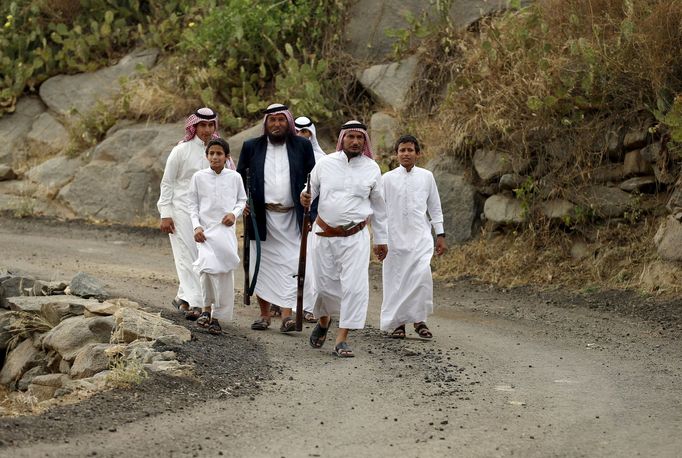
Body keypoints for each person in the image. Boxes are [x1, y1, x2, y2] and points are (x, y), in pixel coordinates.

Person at [300, 120, 388, 358]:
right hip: (323, 234)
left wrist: (381, 240)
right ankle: (324, 320)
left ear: (364, 141)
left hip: (355, 237)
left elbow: (380, 209)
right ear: (342, 139)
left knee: (354, 287)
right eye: (350, 137)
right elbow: (310, 189)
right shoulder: (326, 164)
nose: (355, 141)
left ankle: (342, 339)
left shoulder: (372, 168)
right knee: (323, 286)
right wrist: (305, 197)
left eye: (359, 138)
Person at [236, 103, 316, 332]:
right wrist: (243, 203)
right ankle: (264, 315)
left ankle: (287, 315)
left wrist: (311, 208)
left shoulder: (301, 146)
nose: (277, 124)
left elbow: (314, 178)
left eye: (281, 120)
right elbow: (239, 178)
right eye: (272, 120)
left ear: (288, 122)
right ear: (266, 124)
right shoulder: (252, 147)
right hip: (262, 216)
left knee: (292, 264)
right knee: (262, 266)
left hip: (293, 216)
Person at [157, 107, 223, 320]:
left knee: (204, 256)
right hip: (181, 211)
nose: (206, 129)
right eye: (202, 125)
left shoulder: (218, 150)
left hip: (207, 213)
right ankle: (197, 303)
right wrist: (165, 213)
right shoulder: (181, 150)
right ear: (194, 126)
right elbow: (167, 182)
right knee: (187, 256)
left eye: (210, 125)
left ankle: (183, 298)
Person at [380, 135, 447, 339]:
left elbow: (435, 207)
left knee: (421, 278)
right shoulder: (387, 179)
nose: (406, 154)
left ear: (418, 153)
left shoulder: (426, 176)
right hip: (394, 240)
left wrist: (440, 234)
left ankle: (419, 321)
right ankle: (398, 324)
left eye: (410, 150)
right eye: (402, 150)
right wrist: (380, 240)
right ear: (396, 154)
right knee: (396, 281)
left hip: (420, 238)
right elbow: (379, 211)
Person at [188, 138, 246, 335]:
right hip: (204, 232)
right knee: (206, 270)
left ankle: (217, 317)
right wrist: (196, 227)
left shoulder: (234, 177)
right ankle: (205, 311)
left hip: (225, 231)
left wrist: (234, 214)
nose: (215, 157)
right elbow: (193, 205)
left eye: (219, 153)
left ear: (227, 156)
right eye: (211, 153)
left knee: (223, 273)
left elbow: (242, 200)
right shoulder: (198, 177)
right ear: (206, 156)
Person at [294, 115, 327, 323]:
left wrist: (311, 217)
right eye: (297, 132)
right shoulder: (287, 155)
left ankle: (308, 307)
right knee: (289, 260)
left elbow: (321, 192)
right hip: (288, 216)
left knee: (311, 263)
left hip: (312, 216)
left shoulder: (322, 159)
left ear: (312, 134)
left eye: (305, 132)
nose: (301, 136)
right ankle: (286, 304)